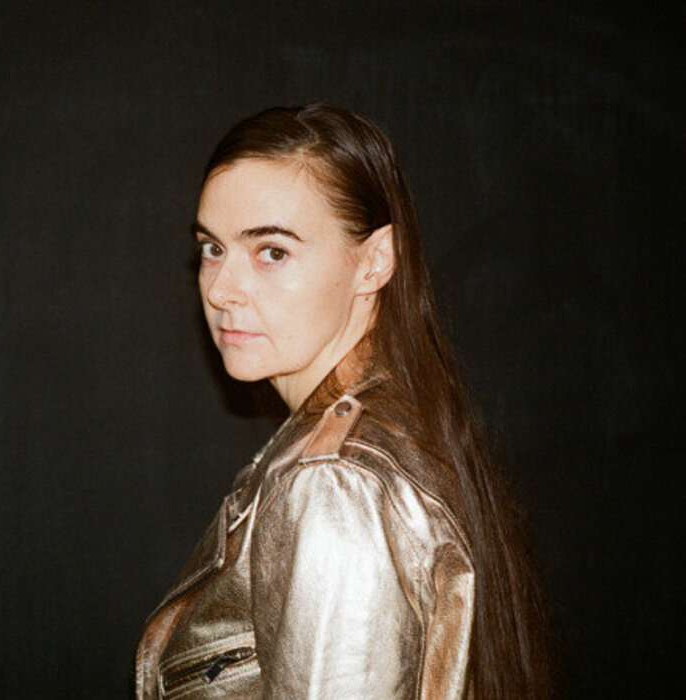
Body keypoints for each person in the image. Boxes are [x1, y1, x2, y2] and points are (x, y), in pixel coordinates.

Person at [135, 104, 551, 699]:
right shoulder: (388, 426)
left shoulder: (334, 485)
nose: (222, 290)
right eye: (212, 248)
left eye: (272, 251)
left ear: (374, 261)